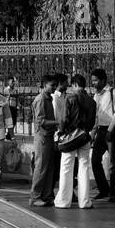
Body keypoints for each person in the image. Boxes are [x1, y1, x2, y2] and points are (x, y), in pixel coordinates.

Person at [55, 74, 98, 209]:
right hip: (84, 136)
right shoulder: (92, 101)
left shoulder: (70, 97)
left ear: (74, 85)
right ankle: (85, 201)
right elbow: (92, 122)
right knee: (84, 167)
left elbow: (64, 119)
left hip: (70, 136)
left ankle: (63, 201)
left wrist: (60, 132)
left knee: (66, 167)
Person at [30, 72, 63, 206]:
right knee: (41, 167)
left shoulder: (48, 98)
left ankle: (47, 195)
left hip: (49, 136)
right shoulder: (40, 100)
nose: (54, 88)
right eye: (52, 85)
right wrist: (57, 123)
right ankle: (35, 196)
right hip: (42, 137)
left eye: (55, 85)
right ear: (44, 85)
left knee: (49, 167)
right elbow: (40, 121)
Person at [90, 68, 115, 201]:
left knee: (113, 163)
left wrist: (110, 129)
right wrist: (93, 132)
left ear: (103, 80)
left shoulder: (112, 92)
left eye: (96, 80)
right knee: (95, 160)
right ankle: (103, 189)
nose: (93, 83)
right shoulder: (96, 95)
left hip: (112, 130)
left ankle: (113, 193)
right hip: (100, 130)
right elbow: (96, 115)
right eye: (92, 81)